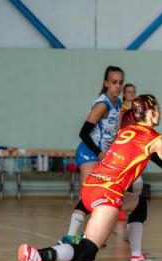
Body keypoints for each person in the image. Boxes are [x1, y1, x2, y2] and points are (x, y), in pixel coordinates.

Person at [18, 94, 162, 261]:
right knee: (87, 252)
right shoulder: (156, 140)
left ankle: (137, 259)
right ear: (150, 113)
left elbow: (155, 158)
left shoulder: (127, 131)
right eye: (158, 109)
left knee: (139, 204)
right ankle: (36, 256)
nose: (161, 112)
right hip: (108, 193)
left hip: (92, 186)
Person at [58, 66, 124, 245]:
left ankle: (94, 236)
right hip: (89, 153)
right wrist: (100, 153)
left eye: (120, 83)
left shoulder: (118, 103)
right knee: (88, 196)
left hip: (102, 155)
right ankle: (70, 236)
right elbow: (83, 133)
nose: (117, 86)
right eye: (113, 82)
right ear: (106, 83)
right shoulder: (102, 104)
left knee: (100, 196)